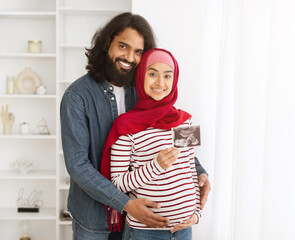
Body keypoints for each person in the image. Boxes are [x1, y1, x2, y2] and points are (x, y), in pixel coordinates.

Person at [60, 12, 210, 240]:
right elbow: (78, 165)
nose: (130, 57)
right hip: (94, 219)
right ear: (106, 44)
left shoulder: (146, 89)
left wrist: (200, 174)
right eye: (123, 46)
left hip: (140, 223)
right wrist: (126, 204)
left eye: (138, 52)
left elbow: (170, 140)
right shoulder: (77, 96)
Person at [101, 48, 201, 240]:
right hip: (144, 232)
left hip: (184, 230)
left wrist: (197, 214)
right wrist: (156, 166)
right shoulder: (126, 125)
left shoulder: (185, 121)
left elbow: (190, 171)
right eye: (152, 74)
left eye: (167, 75)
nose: (160, 83)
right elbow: (117, 184)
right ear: (141, 76)